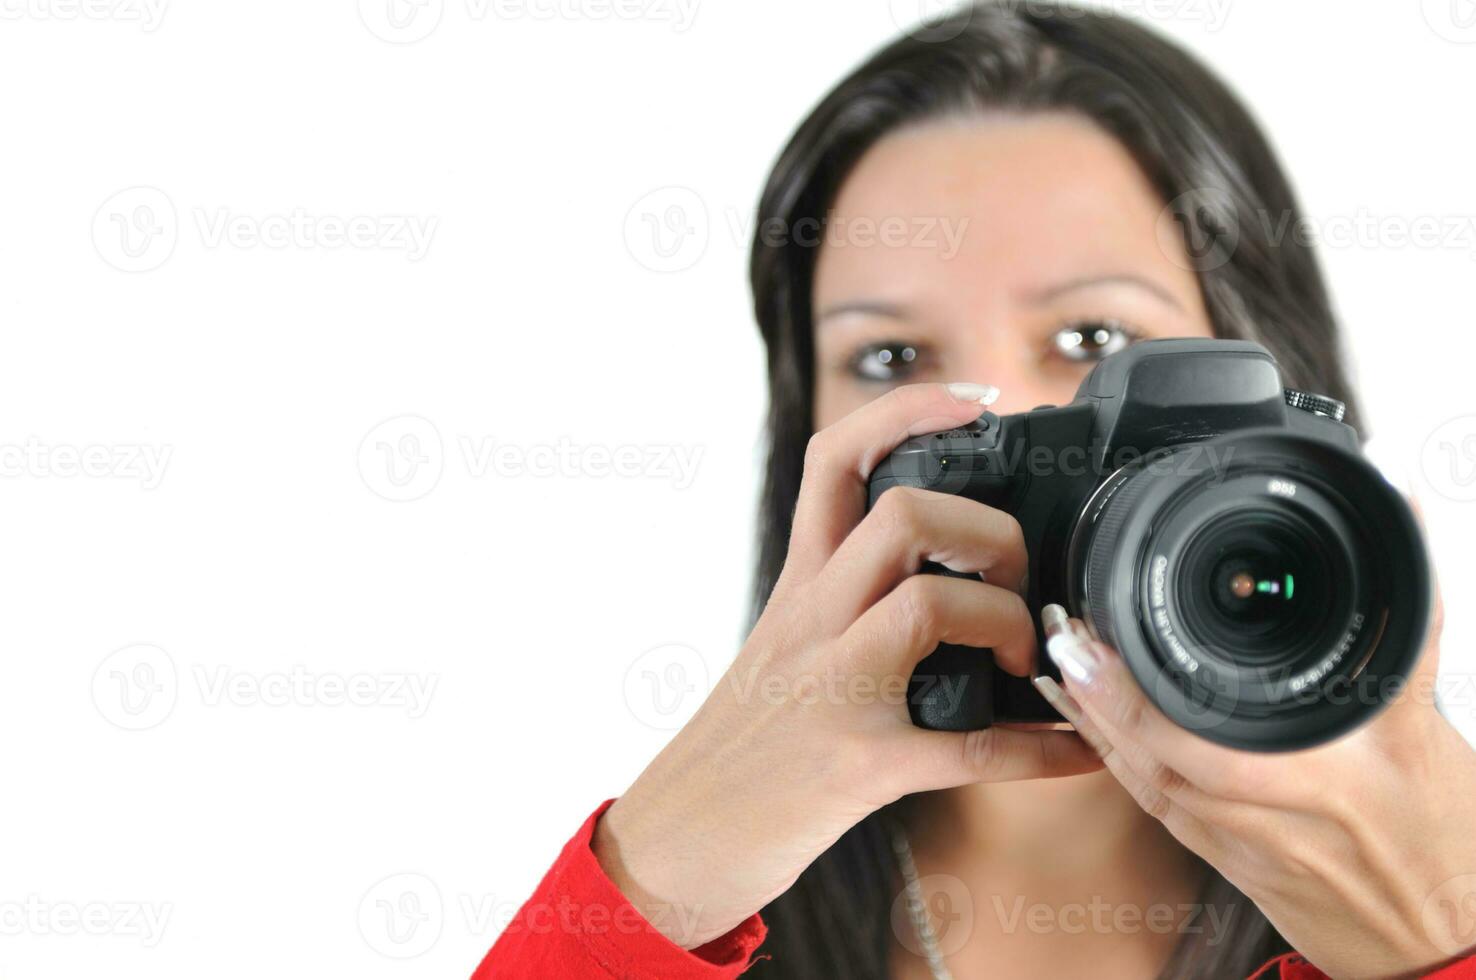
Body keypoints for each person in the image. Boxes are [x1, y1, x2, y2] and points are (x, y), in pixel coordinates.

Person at [477, 4, 1476, 977]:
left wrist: (1438, 928)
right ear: (806, 431)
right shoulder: (701, 903)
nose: (1002, 426)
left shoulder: (1444, 868)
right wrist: (650, 886)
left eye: (1095, 339)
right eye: (894, 356)